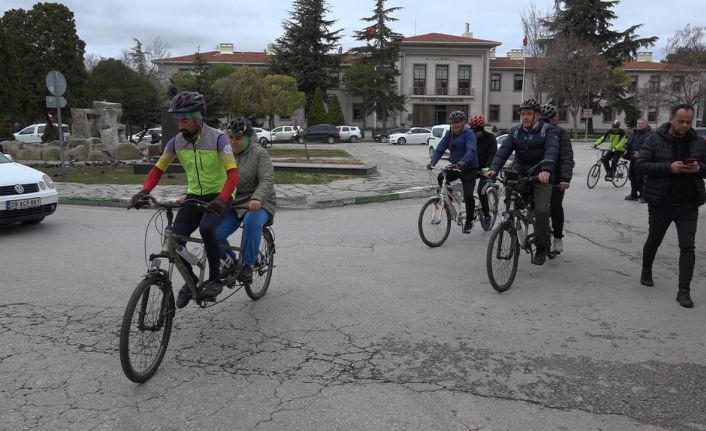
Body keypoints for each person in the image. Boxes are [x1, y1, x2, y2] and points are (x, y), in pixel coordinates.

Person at [130, 91, 239, 308]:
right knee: (176, 239)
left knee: (208, 229)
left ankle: (215, 280)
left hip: (220, 194)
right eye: (178, 120)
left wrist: (222, 199)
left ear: (199, 117)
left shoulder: (218, 138)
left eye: (185, 120)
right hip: (194, 195)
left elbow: (233, 174)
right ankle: (191, 283)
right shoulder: (176, 142)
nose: (180, 125)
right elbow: (158, 169)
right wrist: (144, 191)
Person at [635, 103, 705, 308]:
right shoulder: (654, 139)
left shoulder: (698, 142)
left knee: (688, 246)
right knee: (654, 239)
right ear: (672, 119)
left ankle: (684, 291)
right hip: (661, 202)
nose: (685, 125)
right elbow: (641, 165)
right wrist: (669, 168)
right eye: (681, 121)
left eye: (689, 121)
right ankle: (646, 270)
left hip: (688, 203)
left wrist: (698, 168)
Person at [485, 98, 559, 265]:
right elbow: (503, 151)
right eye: (523, 114)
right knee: (510, 189)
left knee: (541, 211)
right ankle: (515, 217)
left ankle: (541, 247)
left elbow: (552, 150)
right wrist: (494, 169)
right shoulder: (516, 132)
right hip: (521, 174)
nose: (525, 117)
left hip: (540, 176)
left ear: (537, 115)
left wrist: (546, 169)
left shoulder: (548, 131)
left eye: (529, 114)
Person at [216, 117, 276, 283]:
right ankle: (232, 262)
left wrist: (257, 198)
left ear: (248, 137)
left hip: (259, 201)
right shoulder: (225, 153)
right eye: (232, 137)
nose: (234, 142)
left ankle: (247, 265)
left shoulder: (260, 153)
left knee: (251, 221)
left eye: (238, 138)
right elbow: (216, 178)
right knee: (215, 232)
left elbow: (267, 180)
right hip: (234, 202)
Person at [427, 110, 479, 233]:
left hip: (469, 167)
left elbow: (471, 150)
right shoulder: (450, 134)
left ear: (462, 122)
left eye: (458, 122)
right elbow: (440, 149)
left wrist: (463, 162)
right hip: (455, 166)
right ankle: (449, 203)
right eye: (453, 123)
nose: (455, 125)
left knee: (468, 195)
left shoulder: (469, 133)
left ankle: (469, 221)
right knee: (441, 177)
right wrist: (432, 162)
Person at [540, 103, 574, 255]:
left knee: (555, 205)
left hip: (556, 177)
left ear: (555, 120)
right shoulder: (537, 133)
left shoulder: (561, 134)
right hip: (538, 176)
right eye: (543, 120)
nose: (546, 124)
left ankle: (558, 237)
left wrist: (565, 178)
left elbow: (567, 157)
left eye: (549, 120)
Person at [468, 113, 497, 230]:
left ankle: (486, 215)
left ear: (482, 129)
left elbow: (492, 157)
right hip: (475, 168)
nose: (473, 134)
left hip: (489, 170)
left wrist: (486, 170)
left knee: (481, 191)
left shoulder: (491, 139)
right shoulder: (471, 138)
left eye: (475, 131)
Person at [624, 118, 651, 201]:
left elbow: (650, 147)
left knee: (641, 177)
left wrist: (640, 153)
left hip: (642, 159)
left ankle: (643, 195)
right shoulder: (634, 133)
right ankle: (634, 194)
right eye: (638, 123)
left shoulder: (649, 134)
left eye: (642, 123)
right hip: (633, 158)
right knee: (632, 176)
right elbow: (629, 144)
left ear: (645, 124)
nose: (640, 125)